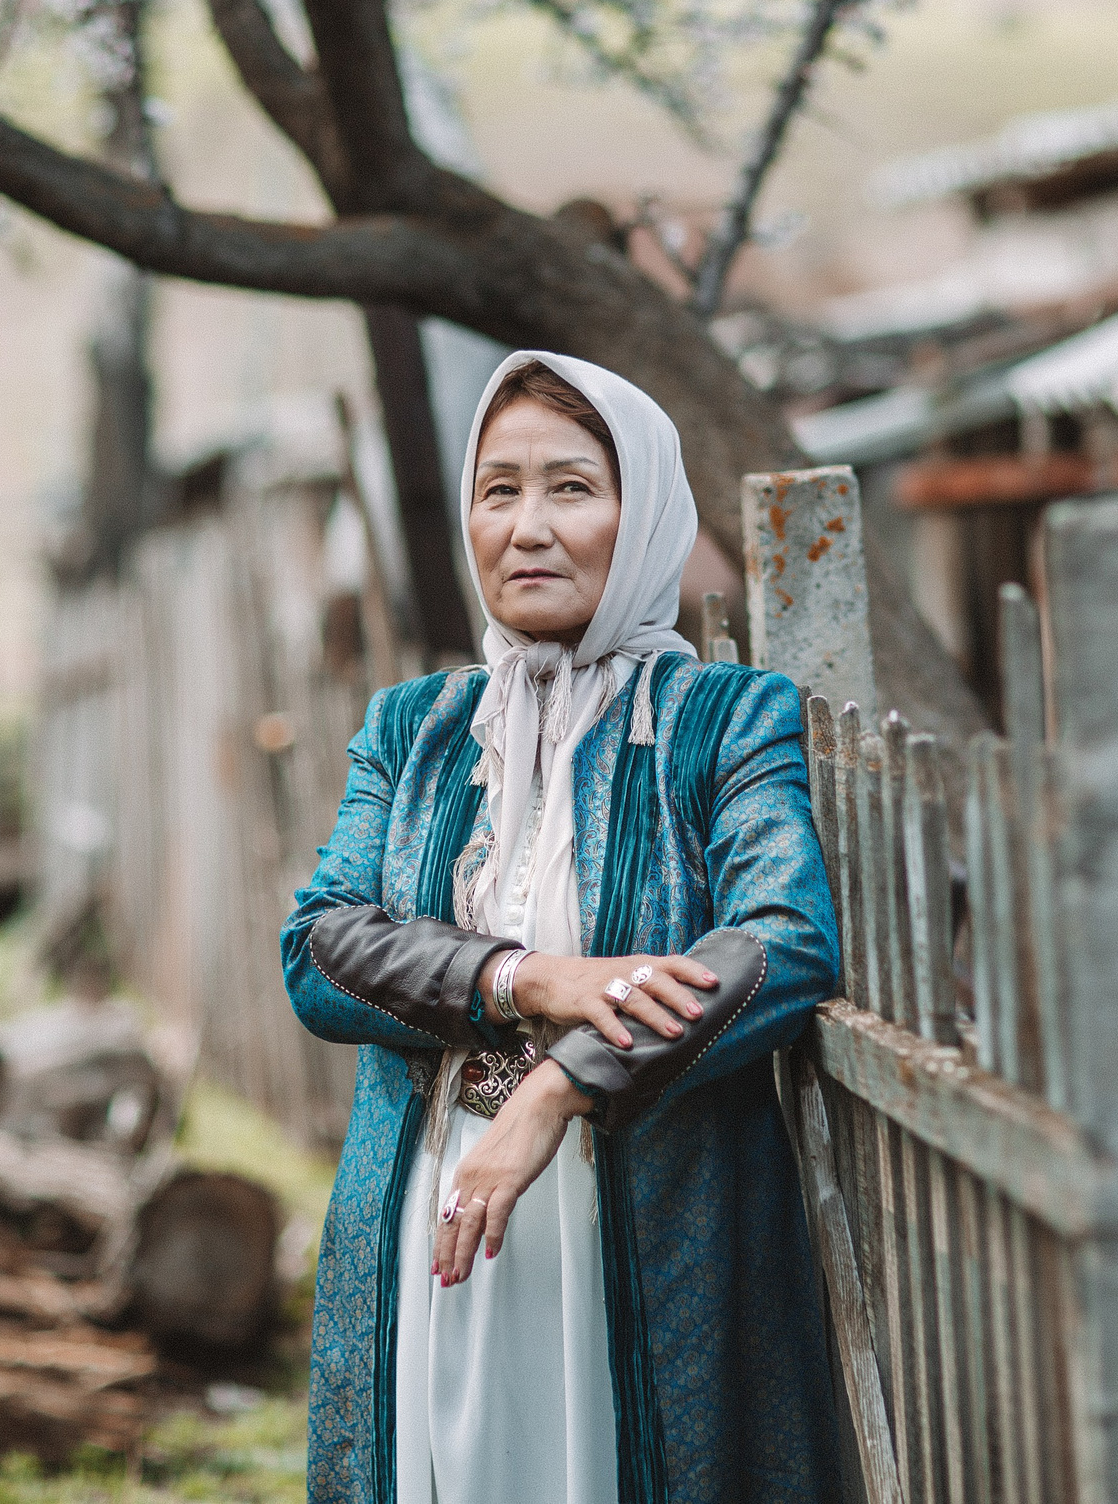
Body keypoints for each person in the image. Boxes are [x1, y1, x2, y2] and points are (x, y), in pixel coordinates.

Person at [282, 352, 845, 1504]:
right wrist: (529, 980)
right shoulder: (415, 728)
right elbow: (320, 950)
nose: (527, 527)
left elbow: (780, 941)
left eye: (572, 488)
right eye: (498, 490)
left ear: (646, 514)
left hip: (651, 1224)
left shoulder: (725, 720)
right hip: (435, 1216)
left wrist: (557, 1089)